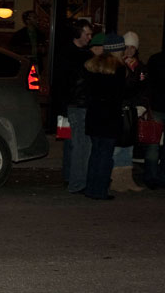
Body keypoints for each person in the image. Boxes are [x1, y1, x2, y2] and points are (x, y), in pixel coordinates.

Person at [83, 34, 128, 200]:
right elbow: (121, 94)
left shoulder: (92, 65)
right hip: (110, 116)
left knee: (95, 154)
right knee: (105, 155)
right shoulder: (119, 69)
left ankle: (91, 188)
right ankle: (100, 190)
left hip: (94, 115)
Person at [53, 19, 93, 192]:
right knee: (81, 144)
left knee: (71, 143)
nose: (89, 38)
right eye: (87, 34)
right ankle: (77, 182)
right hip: (78, 104)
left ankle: (70, 176)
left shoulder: (65, 53)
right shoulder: (81, 56)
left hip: (69, 104)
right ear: (78, 34)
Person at [110, 31, 146, 192]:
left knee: (129, 145)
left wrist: (141, 105)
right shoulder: (119, 65)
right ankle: (116, 179)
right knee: (118, 145)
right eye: (127, 47)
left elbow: (144, 89)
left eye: (133, 47)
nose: (130, 50)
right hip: (119, 110)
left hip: (132, 110)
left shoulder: (139, 67)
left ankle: (126, 178)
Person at [143, 49, 165, 188]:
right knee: (153, 144)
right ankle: (159, 177)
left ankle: (151, 177)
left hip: (156, 106)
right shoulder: (155, 60)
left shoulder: (155, 59)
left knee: (153, 144)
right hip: (157, 106)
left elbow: (148, 83)